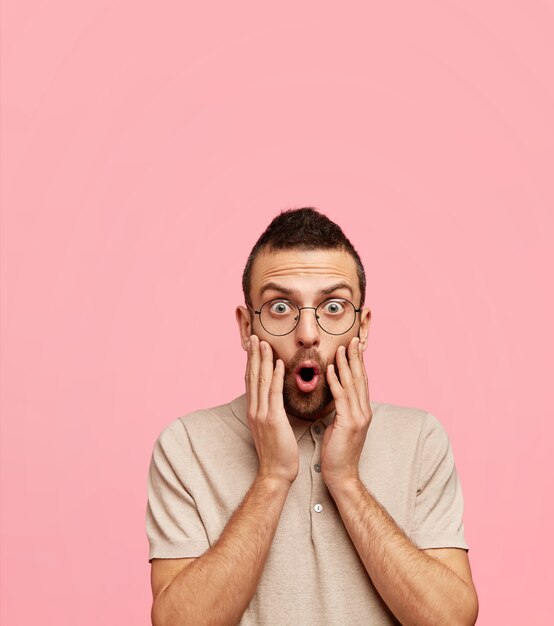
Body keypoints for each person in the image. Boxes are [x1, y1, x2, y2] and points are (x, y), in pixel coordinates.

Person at [145, 207, 479, 625]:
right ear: (246, 326)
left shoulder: (420, 438)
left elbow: (451, 620)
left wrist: (347, 482)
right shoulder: (186, 445)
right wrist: (271, 478)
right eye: (280, 307)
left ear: (364, 327)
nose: (307, 333)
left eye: (334, 306)